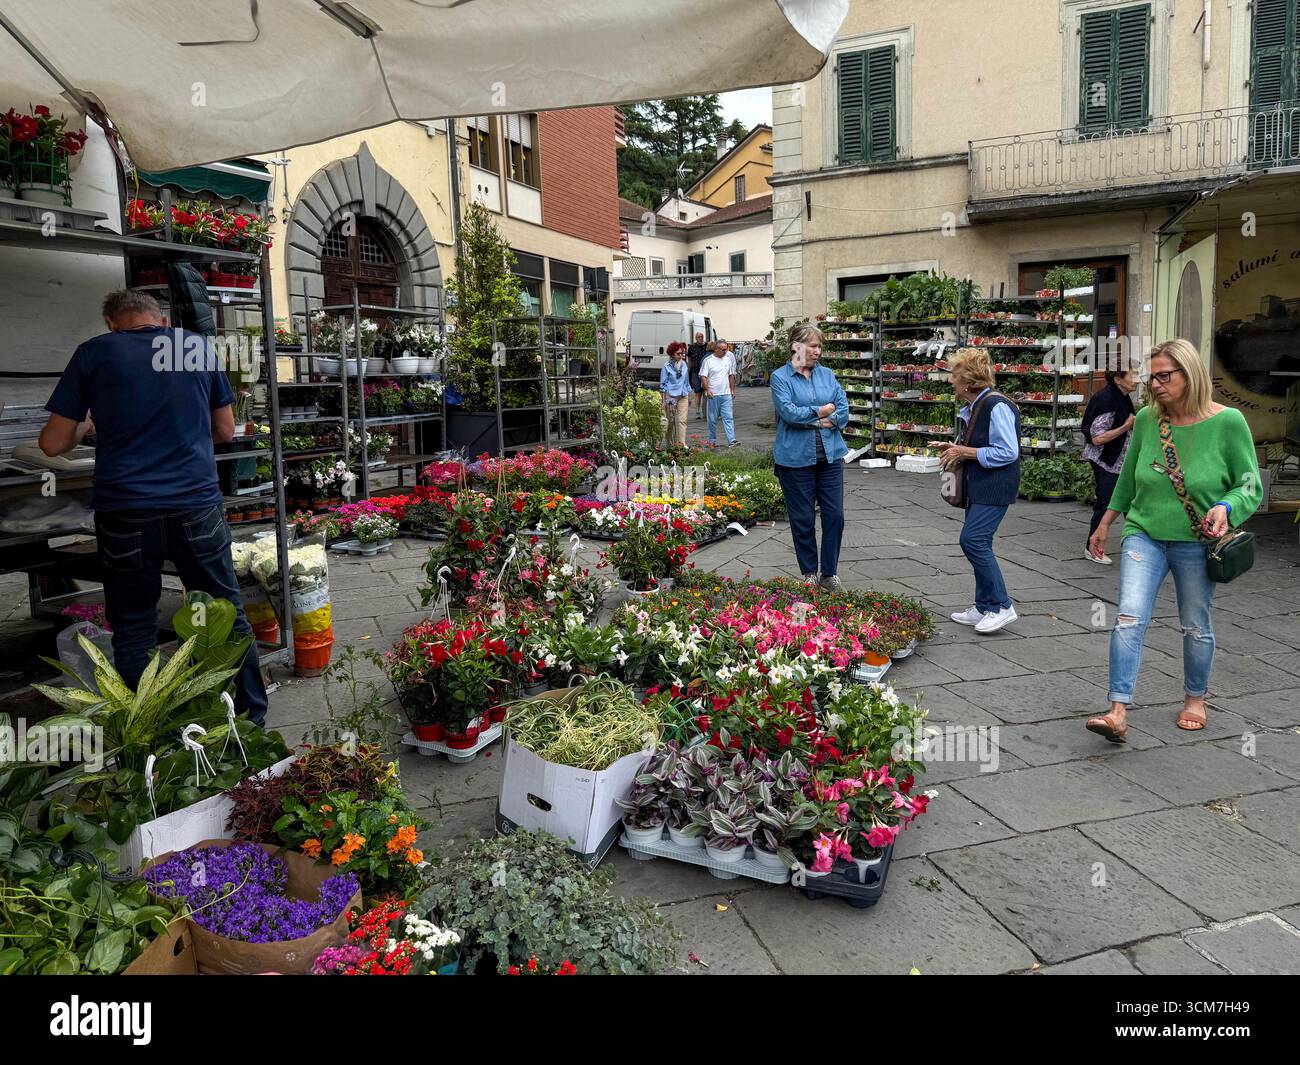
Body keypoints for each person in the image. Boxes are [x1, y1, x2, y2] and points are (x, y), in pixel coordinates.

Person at [39, 289, 270, 726]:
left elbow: (51, 444)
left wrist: (88, 425)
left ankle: (151, 725)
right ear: (159, 320)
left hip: (126, 509)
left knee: (134, 623)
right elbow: (225, 431)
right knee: (223, 608)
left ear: (112, 323)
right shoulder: (196, 348)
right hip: (195, 505)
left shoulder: (93, 353)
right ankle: (249, 720)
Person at [1085, 339, 1261, 741]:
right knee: (1129, 617)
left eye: (1164, 376)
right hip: (1143, 533)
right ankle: (1117, 711)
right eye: (1152, 378)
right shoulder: (1148, 418)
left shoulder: (1228, 422)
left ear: (1191, 374)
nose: (1156, 385)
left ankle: (1195, 698)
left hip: (1195, 542)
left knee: (1195, 625)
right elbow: (1128, 477)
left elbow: (1249, 485)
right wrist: (1106, 522)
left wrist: (1227, 507)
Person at [932, 349, 1021, 634]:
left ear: (968, 381)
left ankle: (1003, 606)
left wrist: (964, 451)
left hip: (995, 487)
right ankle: (984, 606)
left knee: (973, 541)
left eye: (955, 375)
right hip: (981, 485)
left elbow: (1008, 451)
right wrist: (956, 450)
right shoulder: (979, 405)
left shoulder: (995, 405)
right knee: (979, 542)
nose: (951, 382)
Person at [769, 324, 849, 589]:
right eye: (813, 346)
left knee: (835, 516)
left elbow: (844, 411)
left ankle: (829, 573)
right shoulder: (780, 378)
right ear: (797, 347)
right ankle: (809, 573)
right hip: (794, 460)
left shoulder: (827, 375)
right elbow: (789, 414)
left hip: (831, 457)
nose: (818, 351)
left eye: (819, 346)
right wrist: (822, 413)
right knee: (802, 519)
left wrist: (823, 416)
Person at [1080, 367, 1138, 564]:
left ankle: (1136, 545)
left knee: (1129, 503)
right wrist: (1126, 426)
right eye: (1133, 375)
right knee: (1105, 503)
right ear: (1118, 379)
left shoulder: (1121, 396)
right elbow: (1097, 438)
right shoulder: (1108, 399)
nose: (1137, 380)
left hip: (1119, 460)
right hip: (1105, 460)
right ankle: (1092, 548)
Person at [701, 338, 738, 447]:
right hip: (713, 394)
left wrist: (732, 390)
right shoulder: (708, 361)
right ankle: (712, 440)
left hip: (726, 394)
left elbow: (731, 375)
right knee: (712, 419)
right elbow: (703, 377)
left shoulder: (728, 360)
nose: (725, 352)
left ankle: (732, 440)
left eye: (726, 350)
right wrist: (708, 390)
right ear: (716, 349)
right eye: (723, 350)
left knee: (728, 417)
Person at [660, 341, 692, 447]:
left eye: (682, 353)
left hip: (683, 395)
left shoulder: (684, 365)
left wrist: (689, 396)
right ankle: (669, 442)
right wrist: (663, 400)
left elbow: (687, 382)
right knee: (671, 421)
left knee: (682, 420)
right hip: (671, 397)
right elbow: (663, 385)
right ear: (672, 354)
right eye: (678, 353)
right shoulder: (666, 366)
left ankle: (682, 443)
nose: (681, 355)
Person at [686, 331, 708, 420]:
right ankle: (697, 411)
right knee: (698, 392)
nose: (700, 338)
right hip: (695, 371)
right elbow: (689, 358)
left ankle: (705, 411)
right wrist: (690, 369)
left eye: (702, 336)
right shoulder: (692, 347)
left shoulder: (706, 346)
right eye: (699, 336)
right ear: (696, 338)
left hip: (705, 373)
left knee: (705, 392)